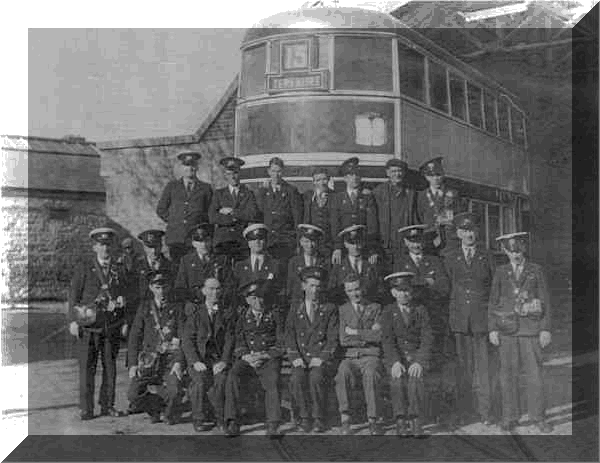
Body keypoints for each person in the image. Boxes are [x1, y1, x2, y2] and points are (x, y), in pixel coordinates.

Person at [488, 232, 553, 433]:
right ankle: (510, 417)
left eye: (518, 250)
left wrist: (545, 329)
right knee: (508, 375)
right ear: (505, 251)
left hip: (530, 331)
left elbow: (546, 301)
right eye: (511, 250)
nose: (515, 254)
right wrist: (492, 328)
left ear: (524, 248)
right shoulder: (500, 271)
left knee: (535, 375)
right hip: (507, 330)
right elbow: (493, 301)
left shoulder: (536, 270)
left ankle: (538, 416)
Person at [68, 227, 127, 420]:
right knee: (87, 368)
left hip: (111, 325)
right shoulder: (84, 267)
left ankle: (108, 405)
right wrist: (73, 321)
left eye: (108, 245)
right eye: (101, 245)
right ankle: (86, 408)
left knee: (110, 367)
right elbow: (73, 296)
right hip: (88, 326)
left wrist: (123, 314)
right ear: (94, 247)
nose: (105, 249)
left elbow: (126, 294)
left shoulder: (119, 268)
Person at [443, 213, 496, 427]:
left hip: (481, 321)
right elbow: (447, 287)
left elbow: (494, 290)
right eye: (465, 231)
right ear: (458, 233)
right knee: (463, 369)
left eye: (473, 230)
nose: (470, 234)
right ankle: (465, 412)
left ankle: (486, 412)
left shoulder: (487, 256)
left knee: (483, 369)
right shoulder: (450, 257)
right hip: (460, 322)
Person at [224, 279, 285, 437]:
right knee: (233, 375)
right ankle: (232, 421)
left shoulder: (274, 315)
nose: (258, 301)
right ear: (247, 300)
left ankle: (273, 424)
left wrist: (264, 355)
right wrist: (247, 356)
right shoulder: (242, 316)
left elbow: (281, 342)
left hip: (267, 358)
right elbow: (239, 340)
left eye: (261, 297)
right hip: (248, 358)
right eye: (253, 298)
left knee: (272, 379)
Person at [126, 271, 185, 424]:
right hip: (149, 361)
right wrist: (132, 364)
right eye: (158, 287)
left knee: (174, 390)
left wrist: (179, 362)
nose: (162, 291)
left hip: (169, 360)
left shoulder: (177, 308)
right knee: (133, 394)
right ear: (151, 287)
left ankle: (168, 411)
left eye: (164, 287)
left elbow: (184, 338)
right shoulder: (144, 307)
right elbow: (134, 337)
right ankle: (154, 407)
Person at [285, 266, 339, 433]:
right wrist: (295, 356)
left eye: (317, 286)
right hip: (300, 357)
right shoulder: (295, 308)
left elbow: (333, 338)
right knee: (297, 378)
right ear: (303, 286)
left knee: (316, 377)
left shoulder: (329, 308)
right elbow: (289, 335)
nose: (314, 290)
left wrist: (322, 357)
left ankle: (318, 418)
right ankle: (304, 417)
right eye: (311, 285)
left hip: (319, 357)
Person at [381, 272, 433, 437]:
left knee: (415, 379)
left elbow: (427, 338)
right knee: (397, 380)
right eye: (400, 290)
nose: (404, 294)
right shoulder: (388, 311)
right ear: (393, 293)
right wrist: (395, 362)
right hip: (397, 358)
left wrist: (419, 361)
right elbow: (387, 340)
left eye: (407, 290)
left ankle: (415, 419)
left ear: (412, 291)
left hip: (416, 357)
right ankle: (400, 419)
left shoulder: (420, 310)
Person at [183, 277, 236, 433]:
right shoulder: (196, 313)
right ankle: (198, 418)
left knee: (221, 380)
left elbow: (229, 339)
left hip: (217, 359)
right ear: (204, 291)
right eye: (211, 289)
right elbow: (187, 340)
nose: (215, 293)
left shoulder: (226, 312)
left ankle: (220, 418)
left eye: (218, 289)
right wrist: (195, 361)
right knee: (199, 381)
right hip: (200, 359)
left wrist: (224, 361)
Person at [335, 275, 384, 435]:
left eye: (356, 289)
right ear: (345, 292)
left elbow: (380, 336)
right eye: (350, 290)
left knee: (371, 374)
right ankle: (345, 418)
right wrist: (368, 334)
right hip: (350, 356)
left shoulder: (375, 307)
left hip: (371, 356)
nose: (354, 293)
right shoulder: (342, 310)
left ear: (362, 288)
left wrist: (355, 332)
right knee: (342, 372)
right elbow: (343, 339)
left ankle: (373, 420)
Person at [156, 151, 213, 270]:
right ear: (182, 168)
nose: (190, 168)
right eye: (187, 165)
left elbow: (210, 213)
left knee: (195, 269)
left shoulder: (205, 188)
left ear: (197, 167)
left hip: (196, 238)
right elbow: (161, 209)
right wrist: (174, 221)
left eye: (192, 165)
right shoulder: (172, 186)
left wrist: (200, 227)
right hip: (176, 237)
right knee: (177, 269)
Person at [208, 156, 260, 264]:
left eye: (235, 173)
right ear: (225, 176)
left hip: (241, 240)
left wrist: (232, 212)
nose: (233, 177)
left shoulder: (248, 194)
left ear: (240, 174)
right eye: (229, 174)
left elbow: (252, 214)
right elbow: (212, 217)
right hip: (223, 240)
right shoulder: (219, 194)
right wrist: (236, 218)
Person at [329, 157, 379, 266]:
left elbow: (372, 224)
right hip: (344, 245)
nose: (354, 178)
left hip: (362, 244)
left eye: (357, 175)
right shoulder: (337, 198)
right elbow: (335, 224)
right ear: (345, 178)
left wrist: (371, 248)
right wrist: (337, 247)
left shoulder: (367, 197)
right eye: (351, 175)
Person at [372, 158, 419, 272]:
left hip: (405, 245)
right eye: (393, 171)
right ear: (387, 173)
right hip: (385, 245)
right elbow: (373, 220)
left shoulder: (411, 193)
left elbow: (416, 217)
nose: (397, 174)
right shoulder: (378, 192)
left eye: (399, 171)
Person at [255, 157, 304, 264]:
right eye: (273, 171)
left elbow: (297, 219)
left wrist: (298, 243)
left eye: (279, 171)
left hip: (286, 241)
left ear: (283, 172)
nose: (276, 175)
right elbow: (257, 216)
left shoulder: (291, 191)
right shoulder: (262, 192)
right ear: (268, 172)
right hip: (267, 242)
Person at [174, 223, 233, 307]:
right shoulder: (186, 261)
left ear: (211, 241)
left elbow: (229, 285)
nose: (204, 245)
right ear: (193, 243)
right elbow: (180, 288)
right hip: (195, 305)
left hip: (217, 304)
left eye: (207, 240)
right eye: (200, 241)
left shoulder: (222, 259)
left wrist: (217, 297)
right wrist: (198, 294)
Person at [125, 229, 172, 331]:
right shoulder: (136, 266)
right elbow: (130, 294)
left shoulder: (170, 266)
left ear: (161, 246)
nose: (153, 251)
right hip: (141, 315)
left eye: (156, 247)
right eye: (149, 247)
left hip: (163, 315)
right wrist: (128, 321)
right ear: (144, 247)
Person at [328, 225, 385, 305]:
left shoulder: (372, 263)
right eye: (351, 243)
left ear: (363, 242)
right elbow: (333, 292)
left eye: (358, 242)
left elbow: (381, 290)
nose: (356, 247)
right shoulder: (339, 266)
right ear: (345, 244)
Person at [416, 157, 461, 254]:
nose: (435, 178)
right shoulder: (421, 196)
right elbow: (419, 218)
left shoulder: (452, 194)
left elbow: (458, 217)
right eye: (431, 176)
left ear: (443, 175)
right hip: (429, 240)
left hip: (449, 241)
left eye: (438, 175)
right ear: (426, 177)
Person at [233, 223, 284, 310]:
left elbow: (280, 290)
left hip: (269, 310)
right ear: (248, 243)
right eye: (253, 239)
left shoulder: (275, 265)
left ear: (266, 241)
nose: (257, 242)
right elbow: (235, 292)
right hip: (245, 311)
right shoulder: (239, 266)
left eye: (260, 238)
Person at [286, 224, 329, 306]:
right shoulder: (294, 262)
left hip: (320, 304)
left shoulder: (325, 261)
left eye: (313, 241)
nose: (310, 245)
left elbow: (328, 287)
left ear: (318, 242)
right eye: (306, 241)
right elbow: (290, 288)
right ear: (301, 242)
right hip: (298, 305)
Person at [303, 167, 334, 258]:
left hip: (329, 242)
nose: (321, 183)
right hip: (312, 243)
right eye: (318, 180)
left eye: (324, 179)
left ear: (328, 179)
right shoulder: (307, 196)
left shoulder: (336, 196)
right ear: (314, 182)